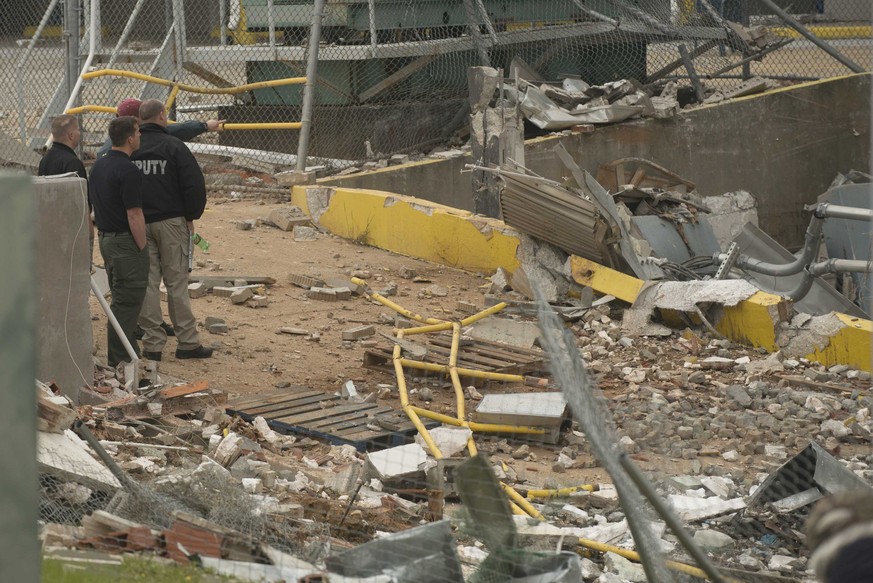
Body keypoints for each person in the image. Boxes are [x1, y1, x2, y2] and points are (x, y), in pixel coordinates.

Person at [133, 99, 212, 361]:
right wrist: (191, 215)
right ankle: (187, 342)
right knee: (176, 283)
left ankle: (153, 345)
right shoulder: (174, 146)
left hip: (138, 221)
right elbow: (193, 185)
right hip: (171, 221)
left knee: (148, 283)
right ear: (162, 116)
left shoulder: (130, 147)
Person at [89, 116, 149, 368]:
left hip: (107, 239)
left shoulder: (99, 165)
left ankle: (126, 349)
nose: (140, 136)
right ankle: (121, 357)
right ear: (129, 138)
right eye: (138, 132)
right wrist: (142, 246)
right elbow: (133, 213)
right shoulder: (128, 169)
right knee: (128, 299)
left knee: (121, 295)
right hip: (124, 241)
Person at [95, 98, 225, 158]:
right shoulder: (142, 134)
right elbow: (178, 130)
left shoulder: (112, 141)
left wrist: (204, 126)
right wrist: (205, 126)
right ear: (136, 119)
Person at [39, 114, 94, 242]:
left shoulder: (45, 160)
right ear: (71, 135)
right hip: (72, 231)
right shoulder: (72, 162)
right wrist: (89, 230)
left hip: (51, 226)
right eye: (78, 130)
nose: (80, 133)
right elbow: (81, 202)